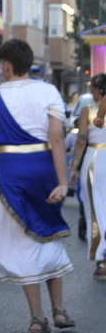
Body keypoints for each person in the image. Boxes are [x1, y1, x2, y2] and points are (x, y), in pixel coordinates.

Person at [0, 38, 73, 333]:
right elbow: (56, 139)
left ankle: (37, 317)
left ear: (6, 65)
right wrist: (62, 181)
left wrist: (5, 169)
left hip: (9, 172)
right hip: (44, 169)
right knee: (48, 234)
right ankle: (59, 310)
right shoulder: (48, 90)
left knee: (22, 241)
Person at [72, 73, 106, 279]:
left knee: (95, 211)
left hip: (95, 160)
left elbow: (81, 141)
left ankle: (101, 261)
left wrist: (74, 167)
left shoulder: (88, 110)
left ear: (98, 90)